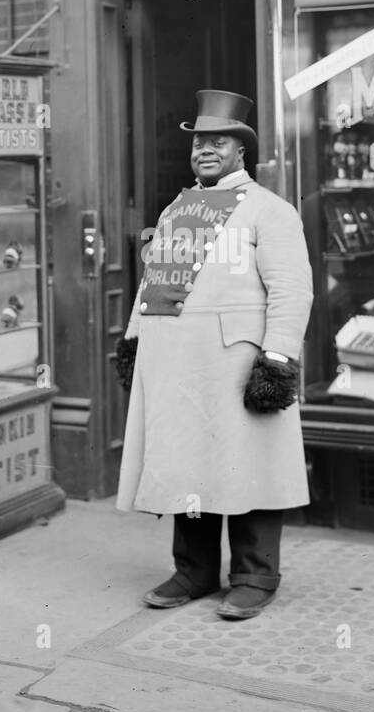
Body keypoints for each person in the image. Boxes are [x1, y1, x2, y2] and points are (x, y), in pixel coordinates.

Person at [114, 89, 313, 620]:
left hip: (235, 365)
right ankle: (194, 571)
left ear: (240, 149)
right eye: (199, 141)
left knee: (247, 467)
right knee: (188, 464)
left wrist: (277, 361)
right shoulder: (177, 208)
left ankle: (254, 575)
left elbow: (292, 290)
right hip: (177, 365)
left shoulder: (271, 211)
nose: (205, 149)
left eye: (217, 140)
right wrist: (134, 340)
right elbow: (152, 280)